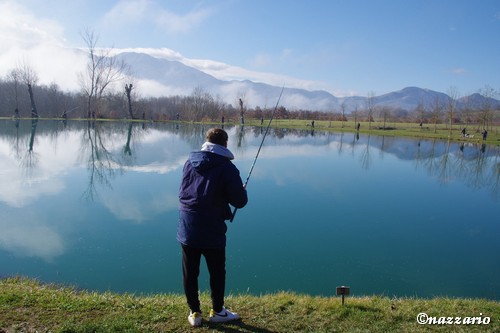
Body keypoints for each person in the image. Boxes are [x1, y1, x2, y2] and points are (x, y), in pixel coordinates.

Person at [177, 128, 248, 327]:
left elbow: (184, 192)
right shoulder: (227, 168)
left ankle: (194, 313)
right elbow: (240, 201)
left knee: (190, 272)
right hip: (211, 228)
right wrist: (238, 191)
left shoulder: (189, 162)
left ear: (206, 142)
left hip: (187, 225)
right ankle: (218, 311)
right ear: (225, 144)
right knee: (217, 271)